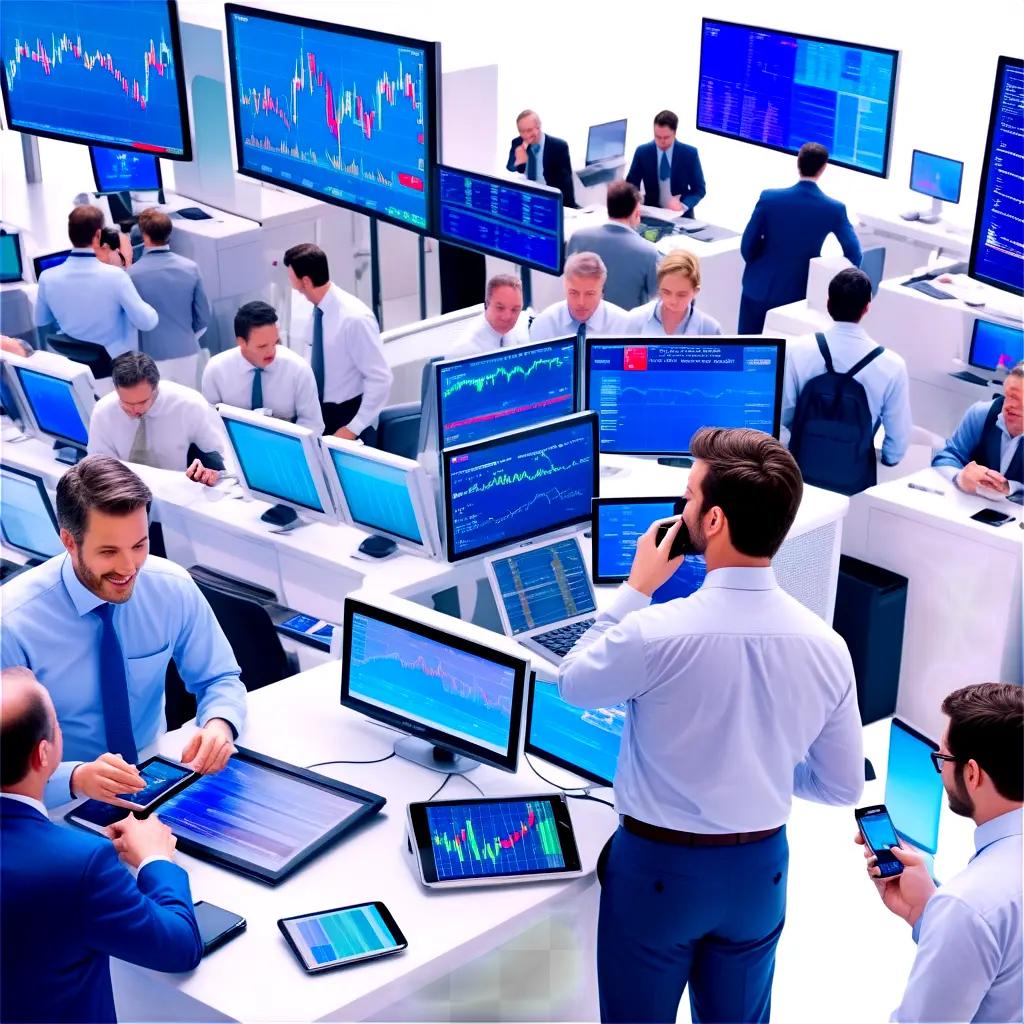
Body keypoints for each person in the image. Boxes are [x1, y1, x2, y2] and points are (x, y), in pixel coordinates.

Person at [559, 427, 864, 1024]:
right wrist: (764, 764)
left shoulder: (656, 632)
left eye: (691, 498)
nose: (684, 510)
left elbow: (573, 682)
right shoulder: (829, 647)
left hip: (657, 874)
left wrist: (635, 588)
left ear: (716, 521)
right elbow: (841, 787)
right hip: (759, 874)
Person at [1, 455, 247, 808]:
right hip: (56, 803)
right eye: (109, 552)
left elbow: (220, 677)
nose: (129, 568)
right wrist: (75, 778)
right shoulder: (11, 623)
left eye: (139, 545)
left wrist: (219, 726)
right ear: (69, 542)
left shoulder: (171, 588)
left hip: (156, 781)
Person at [0, 666, 203, 1024]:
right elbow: (179, 948)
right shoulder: (79, 864)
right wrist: (155, 858)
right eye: (57, 723)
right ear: (43, 755)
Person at [856, 682, 1022, 1022]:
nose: (941, 769)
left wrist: (948, 914)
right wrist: (925, 913)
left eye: (942, 758)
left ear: (972, 773)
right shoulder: (969, 907)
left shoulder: (969, 905)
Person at [782, 267, 912, 471]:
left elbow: (782, 417)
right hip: (853, 475)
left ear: (828, 303)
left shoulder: (796, 350)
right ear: (867, 307)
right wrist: (887, 460)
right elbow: (897, 445)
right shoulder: (892, 365)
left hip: (799, 470)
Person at [739, 143, 862, 335]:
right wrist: (829, 285)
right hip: (798, 295)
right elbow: (854, 253)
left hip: (758, 286)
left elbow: (747, 246)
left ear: (798, 162)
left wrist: (759, 266)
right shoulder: (833, 208)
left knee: (746, 350)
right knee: (785, 357)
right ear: (823, 168)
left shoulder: (770, 198)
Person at [283, 243, 392, 442]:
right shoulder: (308, 308)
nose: (290, 282)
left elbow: (380, 379)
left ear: (305, 280)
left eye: (291, 276)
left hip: (347, 417)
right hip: (315, 412)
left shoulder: (355, 319)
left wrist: (353, 428)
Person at [34, 205, 158, 359]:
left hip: (74, 365)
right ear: (98, 235)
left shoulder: (47, 278)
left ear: (70, 234)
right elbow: (146, 322)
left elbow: (41, 321)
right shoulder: (116, 277)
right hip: (117, 369)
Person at [88, 352, 226, 486]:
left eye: (142, 402)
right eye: (127, 403)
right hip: (122, 493)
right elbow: (97, 468)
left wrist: (211, 471)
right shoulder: (103, 412)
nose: (135, 410)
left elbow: (222, 456)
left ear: (155, 387)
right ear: (116, 388)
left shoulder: (190, 405)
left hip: (178, 492)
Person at [202, 300, 324, 434]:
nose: (271, 352)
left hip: (286, 446)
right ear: (241, 342)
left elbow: (313, 424)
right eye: (262, 346)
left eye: (275, 343)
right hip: (232, 444)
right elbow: (210, 424)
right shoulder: (216, 370)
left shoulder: (298, 369)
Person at [127, 208, 211, 389]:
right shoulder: (191, 268)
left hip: (151, 356)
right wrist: (185, 336)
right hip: (187, 351)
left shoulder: (131, 275)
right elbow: (203, 316)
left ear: (144, 236)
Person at [565, 181, 659, 310]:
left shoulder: (577, 238)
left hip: (584, 318)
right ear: (637, 212)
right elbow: (657, 296)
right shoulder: (649, 252)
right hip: (626, 327)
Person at [932, 362, 1022, 496]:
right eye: (1008, 395)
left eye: (1017, 398)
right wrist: (960, 477)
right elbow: (945, 457)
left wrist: (1012, 487)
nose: (1009, 405)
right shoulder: (982, 414)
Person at [529, 252, 630, 342]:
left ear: (602, 290)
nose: (581, 302)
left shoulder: (625, 325)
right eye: (574, 293)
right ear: (565, 286)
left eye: (590, 294)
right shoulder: (543, 324)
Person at [623, 249, 722, 336]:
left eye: (681, 295)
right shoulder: (636, 319)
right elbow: (626, 356)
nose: (673, 301)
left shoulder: (710, 329)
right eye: (666, 292)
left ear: (695, 291)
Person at [626, 109, 706, 216]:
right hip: (651, 214)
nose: (662, 142)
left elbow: (699, 189)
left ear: (675, 132)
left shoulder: (689, 154)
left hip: (680, 216)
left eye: (666, 137)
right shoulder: (642, 152)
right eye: (657, 137)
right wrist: (635, 200)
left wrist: (683, 205)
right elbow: (631, 185)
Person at [505, 109, 577, 208]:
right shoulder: (517, 142)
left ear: (539, 127)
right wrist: (518, 160)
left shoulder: (558, 146)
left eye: (529, 130)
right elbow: (510, 168)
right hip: (527, 200)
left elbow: (565, 185)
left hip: (549, 201)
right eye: (522, 131)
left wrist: (567, 209)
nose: (526, 135)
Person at [447, 274, 529, 357]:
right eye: (500, 308)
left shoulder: (522, 325)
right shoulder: (464, 351)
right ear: (487, 304)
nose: (507, 317)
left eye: (515, 309)